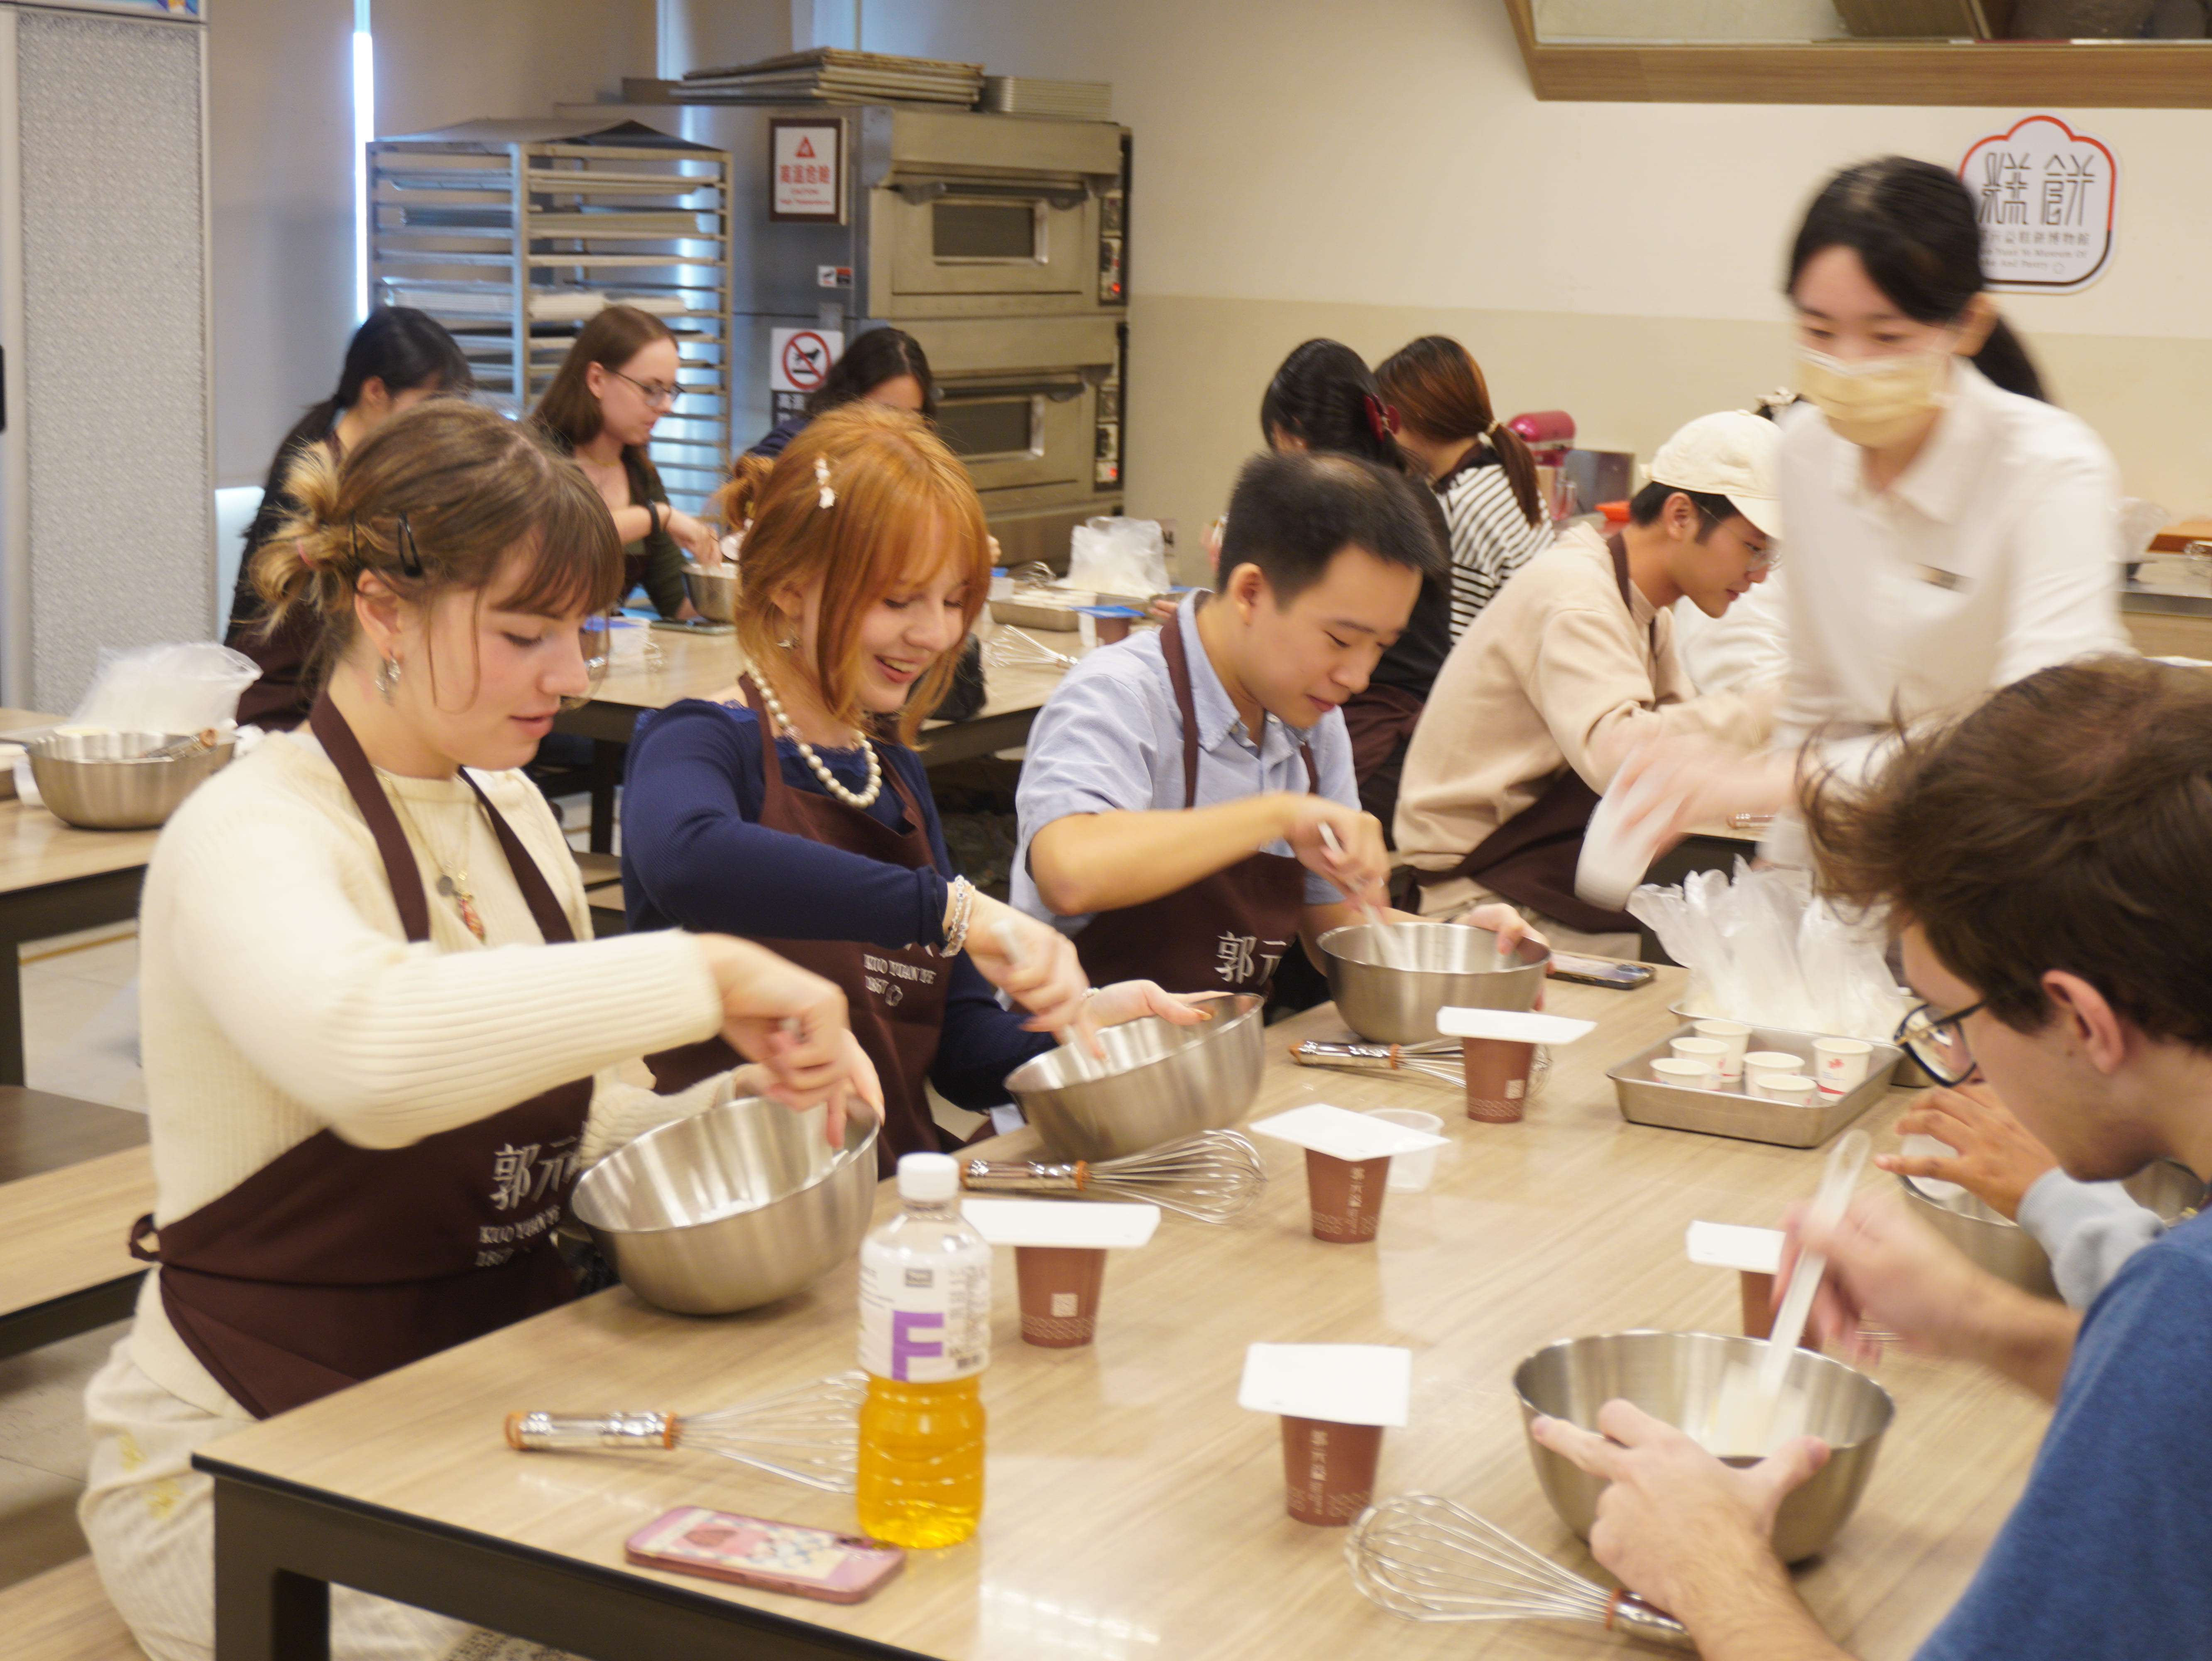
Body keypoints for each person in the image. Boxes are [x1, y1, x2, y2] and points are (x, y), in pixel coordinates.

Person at [81, 400, 875, 1661]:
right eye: (522, 635)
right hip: (241, 1457)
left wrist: (740, 1112)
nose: (567, 675)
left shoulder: (507, 809)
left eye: (580, 632)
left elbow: (572, 1114)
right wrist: (704, 971)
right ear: (386, 612)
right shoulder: (251, 830)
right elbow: (373, 1059)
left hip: (481, 1405)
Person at [1532, 655, 2212, 1661]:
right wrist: (1977, 1317)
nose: (1963, 1062)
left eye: (1954, 1020)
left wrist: (1712, 1565)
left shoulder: (2184, 1306)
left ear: (2080, 1017)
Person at [622, 403, 1200, 1168]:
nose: (932, 635)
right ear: (792, 587)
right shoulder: (698, 742)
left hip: (891, 1200)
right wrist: (952, 908)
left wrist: (1082, 1026)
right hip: (742, 1206)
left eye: (953, 600)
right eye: (898, 600)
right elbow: (688, 858)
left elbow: (956, 1046)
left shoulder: (891, 777)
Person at [1622, 155, 2130, 848]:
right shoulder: (1804, 450)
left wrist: (1771, 783)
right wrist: (1781, 874)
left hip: (2001, 863)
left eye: (1886, 337)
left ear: (1969, 323)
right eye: (1819, 333)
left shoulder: (2048, 467)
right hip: (1854, 857)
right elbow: (1818, 698)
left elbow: (2032, 730)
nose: (1849, 365)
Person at [1013, 448, 1524, 997]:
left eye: (1381, 647)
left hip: (1222, 1058)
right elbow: (1069, 871)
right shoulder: (1121, 693)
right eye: (1341, 640)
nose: (1358, 675)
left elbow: (1336, 930)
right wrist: (1277, 815)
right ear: (1251, 592)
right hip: (1083, 1061)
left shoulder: (1310, 726)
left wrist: (1457, 946)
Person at [1393, 411, 1783, 953]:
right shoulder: (1580, 598)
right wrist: (1775, 708)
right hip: (1477, 901)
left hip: (1534, 880)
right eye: (1754, 546)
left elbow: (1682, 749)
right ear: (1680, 516)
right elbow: (1624, 762)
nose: (1762, 573)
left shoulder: (1645, 609)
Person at [225, 306, 472, 729]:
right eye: (430, 405)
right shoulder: (311, 478)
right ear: (376, 391)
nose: (438, 424)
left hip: (342, 692)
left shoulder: (382, 469)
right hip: (284, 708)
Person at [1256, 339, 1454, 832]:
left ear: (1294, 438)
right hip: (1424, 731)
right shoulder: (1407, 491)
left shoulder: (1339, 509)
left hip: (1382, 736)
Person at [531, 304, 721, 619]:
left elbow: (677, 606)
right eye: (651, 389)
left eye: (670, 390)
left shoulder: (640, 476)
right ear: (597, 380)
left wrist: (726, 575)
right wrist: (657, 516)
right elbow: (565, 540)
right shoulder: (533, 456)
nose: (666, 406)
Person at [1373, 334, 1554, 639]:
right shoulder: (1503, 472)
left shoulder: (1461, 507)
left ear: (1416, 417)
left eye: (1389, 422)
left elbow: (1455, 647)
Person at [747, 325, 935, 460]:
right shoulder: (796, 444)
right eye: (886, 412)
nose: (898, 428)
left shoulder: (916, 462)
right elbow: (747, 490)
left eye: (911, 417)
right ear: (848, 398)